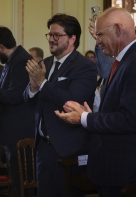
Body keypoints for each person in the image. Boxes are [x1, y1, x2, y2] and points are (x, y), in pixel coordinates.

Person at [55, 8, 136, 197]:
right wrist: (91, 114)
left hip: (122, 172)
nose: (97, 41)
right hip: (112, 170)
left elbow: (129, 119)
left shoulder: (133, 62)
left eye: (100, 34)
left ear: (117, 29)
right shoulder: (123, 61)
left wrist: (85, 118)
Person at [24, 14, 96, 196]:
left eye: (57, 35)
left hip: (68, 150)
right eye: (50, 35)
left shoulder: (84, 66)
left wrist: (42, 84)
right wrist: (32, 88)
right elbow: (29, 100)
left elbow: (72, 101)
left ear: (72, 38)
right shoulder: (45, 64)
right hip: (43, 148)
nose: (52, 40)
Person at [0, 26, 35, 197]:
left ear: (1, 47)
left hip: (19, 134)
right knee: (16, 180)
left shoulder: (21, 60)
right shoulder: (13, 60)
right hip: (12, 133)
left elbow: (15, 96)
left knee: (22, 183)